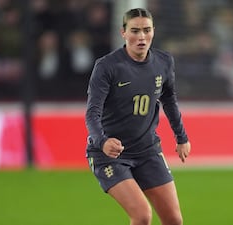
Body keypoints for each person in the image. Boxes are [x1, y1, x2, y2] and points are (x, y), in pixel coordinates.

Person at [85, 8, 191, 225]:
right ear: (123, 33)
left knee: (174, 220)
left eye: (146, 30)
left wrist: (181, 137)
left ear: (154, 31)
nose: (141, 37)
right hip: (112, 155)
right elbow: (92, 112)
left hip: (147, 151)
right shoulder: (107, 67)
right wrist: (102, 142)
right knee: (142, 216)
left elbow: (169, 99)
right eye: (135, 31)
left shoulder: (164, 62)